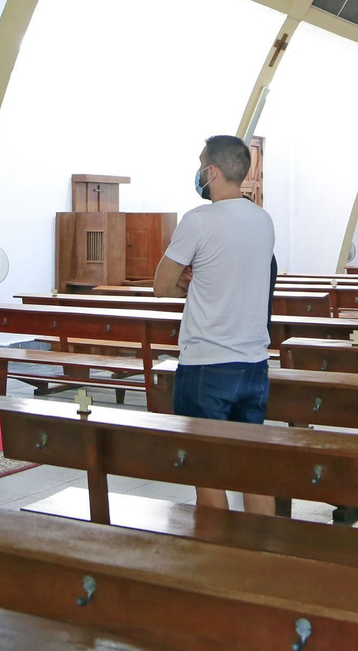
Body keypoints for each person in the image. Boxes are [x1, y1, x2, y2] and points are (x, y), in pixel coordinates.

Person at [153, 134, 276, 513]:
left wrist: (187, 283)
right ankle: (263, 557)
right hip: (254, 362)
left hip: (207, 362)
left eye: (201, 164)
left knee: (206, 471)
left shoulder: (198, 220)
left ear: (212, 171)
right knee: (252, 468)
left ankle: (216, 562)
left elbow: (160, 287)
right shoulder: (263, 219)